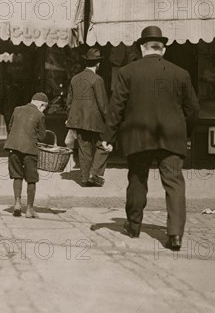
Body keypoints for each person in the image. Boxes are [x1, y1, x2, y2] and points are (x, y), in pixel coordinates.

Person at [101, 26, 199, 251]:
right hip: (172, 137)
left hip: (138, 136)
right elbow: (193, 109)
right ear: (162, 49)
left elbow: (116, 108)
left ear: (142, 48)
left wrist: (109, 137)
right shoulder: (180, 73)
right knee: (174, 184)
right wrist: (185, 132)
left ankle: (133, 226)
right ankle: (174, 235)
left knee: (137, 180)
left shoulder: (127, 72)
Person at [66, 47, 109, 186]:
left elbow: (69, 102)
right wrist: (109, 119)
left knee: (84, 149)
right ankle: (94, 174)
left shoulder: (74, 79)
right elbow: (102, 103)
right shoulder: (97, 80)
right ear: (98, 64)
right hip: (95, 121)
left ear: (86, 62)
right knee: (103, 146)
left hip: (78, 120)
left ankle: (85, 179)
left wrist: (71, 117)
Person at [3, 92, 48, 219]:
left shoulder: (17, 109)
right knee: (31, 179)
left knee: (17, 176)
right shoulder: (40, 115)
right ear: (41, 104)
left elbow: (10, 127)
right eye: (45, 107)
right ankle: (29, 209)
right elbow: (41, 136)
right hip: (29, 150)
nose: (44, 109)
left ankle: (17, 204)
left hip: (13, 147)